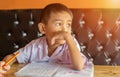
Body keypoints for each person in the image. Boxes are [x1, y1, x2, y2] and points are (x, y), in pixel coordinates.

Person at [0, 3, 87, 76]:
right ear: (43, 28)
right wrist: (4, 63)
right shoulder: (35, 46)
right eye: (59, 24)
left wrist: (69, 38)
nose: (65, 30)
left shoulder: (70, 44)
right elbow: (14, 57)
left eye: (68, 25)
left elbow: (79, 66)